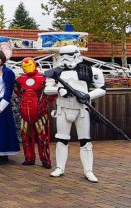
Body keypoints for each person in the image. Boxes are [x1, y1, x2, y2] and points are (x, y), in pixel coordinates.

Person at [44, 45, 106, 182]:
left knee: (85, 140)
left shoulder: (90, 70)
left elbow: (102, 88)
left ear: (76, 55)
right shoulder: (56, 72)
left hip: (82, 108)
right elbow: (47, 88)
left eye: (69, 55)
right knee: (61, 139)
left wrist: (88, 96)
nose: (65, 59)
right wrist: (59, 90)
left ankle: (88, 170)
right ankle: (60, 167)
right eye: (62, 55)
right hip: (63, 108)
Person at [16, 57, 53, 168]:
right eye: (25, 66)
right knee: (25, 137)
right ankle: (29, 158)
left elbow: (51, 94)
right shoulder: (20, 79)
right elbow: (18, 93)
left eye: (30, 65)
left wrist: (45, 103)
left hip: (41, 113)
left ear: (35, 65)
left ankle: (45, 160)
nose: (28, 68)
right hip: (24, 113)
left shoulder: (44, 78)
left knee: (43, 138)